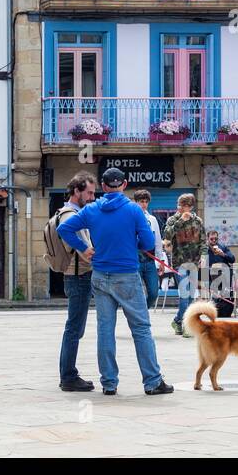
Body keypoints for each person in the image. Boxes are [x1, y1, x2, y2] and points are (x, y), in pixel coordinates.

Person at [58, 167, 173, 397]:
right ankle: (152, 381)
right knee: (141, 329)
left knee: (105, 330)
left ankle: (109, 383)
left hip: (100, 275)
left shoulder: (91, 210)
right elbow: (148, 242)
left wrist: (84, 247)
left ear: (102, 186)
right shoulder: (133, 210)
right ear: (124, 184)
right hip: (127, 275)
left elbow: (64, 228)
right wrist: (134, 240)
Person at [45, 173, 96, 392]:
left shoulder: (69, 212)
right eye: (89, 193)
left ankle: (68, 374)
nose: (92, 197)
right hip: (78, 276)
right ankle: (68, 376)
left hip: (76, 276)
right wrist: (87, 251)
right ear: (76, 191)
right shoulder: (70, 214)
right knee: (74, 329)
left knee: (75, 328)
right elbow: (66, 233)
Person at [162, 193, 205, 337]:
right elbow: (167, 235)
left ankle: (178, 320)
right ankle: (187, 326)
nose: (181, 208)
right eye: (179, 205)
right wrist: (180, 221)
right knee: (184, 294)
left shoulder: (197, 221)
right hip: (179, 262)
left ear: (191, 207)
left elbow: (203, 240)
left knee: (192, 295)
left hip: (194, 261)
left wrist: (203, 256)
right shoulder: (173, 219)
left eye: (184, 205)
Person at [131, 189, 165, 309]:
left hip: (150, 262)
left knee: (154, 293)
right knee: (137, 293)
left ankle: (142, 312)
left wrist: (161, 261)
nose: (144, 204)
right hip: (135, 261)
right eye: (141, 201)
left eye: (146, 201)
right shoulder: (130, 218)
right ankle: (139, 316)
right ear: (136, 202)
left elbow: (158, 241)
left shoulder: (153, 219)